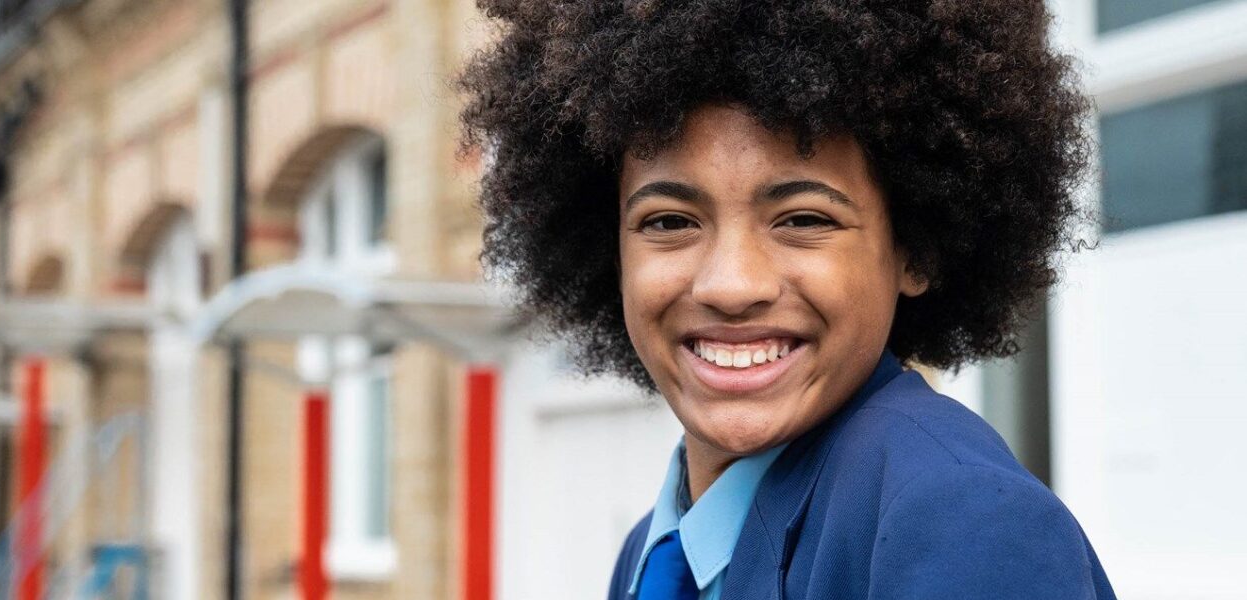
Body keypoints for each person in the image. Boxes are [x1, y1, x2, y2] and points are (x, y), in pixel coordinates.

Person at [458, 0, 1114, 598]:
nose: (731, 284)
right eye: (668, 222)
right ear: (612, 253)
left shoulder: (965, 519)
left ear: (914, 250)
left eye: (804, 219)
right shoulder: (654, 550)